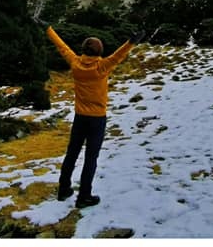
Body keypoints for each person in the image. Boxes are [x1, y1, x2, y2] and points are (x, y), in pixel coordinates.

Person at [43, 24, 142, 208]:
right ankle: (84, 196)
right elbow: (118, 56)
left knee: (72, 153)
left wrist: (48, 29)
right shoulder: (103, 66)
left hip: (80, 117)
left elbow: (62, 47)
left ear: (83, 50)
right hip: (97, 119)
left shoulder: (75, 63)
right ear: (99, 52)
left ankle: (64, 189)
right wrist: (132, 42)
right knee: (91, 158)